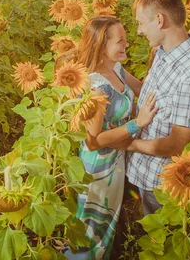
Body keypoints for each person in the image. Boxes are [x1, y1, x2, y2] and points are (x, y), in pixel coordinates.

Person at [61, 15, 158, 260]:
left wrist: (156, 59)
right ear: (102, 46)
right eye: (120, 41)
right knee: (92, 225)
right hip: (99, 166)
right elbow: (93, 140)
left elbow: (142, 89)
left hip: (116, 159)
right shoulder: (97, 87)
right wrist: (139, 122)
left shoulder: (116, 69)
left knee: (105, 221)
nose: (126, 44)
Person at [125, 0, 190, 215]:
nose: (138, 31)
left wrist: (128, 143)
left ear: (159, 20)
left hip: (160, 182)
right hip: (139, 168)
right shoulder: (162, 52)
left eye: (141, 23)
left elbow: (177, 144)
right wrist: (110, 68)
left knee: (158, 240)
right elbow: (147, 93)